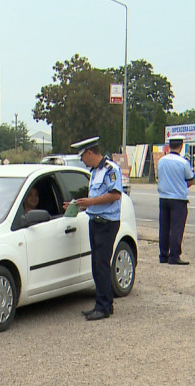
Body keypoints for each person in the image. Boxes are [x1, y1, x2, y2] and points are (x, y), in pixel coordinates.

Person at [63, 136, 122, 321]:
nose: (82, 160)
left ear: (90, 153)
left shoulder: (111, 170)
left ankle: (103, 307)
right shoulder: (95, 172)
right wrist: (78, 205)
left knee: (102, 265)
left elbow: (114, 195)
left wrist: (90, 202)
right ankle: (102, 303)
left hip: (107, 223)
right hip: (95, 221)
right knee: (96, 265)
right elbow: (95, 200)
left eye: (82, 156)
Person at [157, 135, 195, 265]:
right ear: (181, 146)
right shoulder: (183, 162)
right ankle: (174, 256)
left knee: (164, 227)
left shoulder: (161, 161)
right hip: (178, 199)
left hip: (163, 198)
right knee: (176, 228)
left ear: (169, 146)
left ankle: (163, 255)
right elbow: (190, 180)